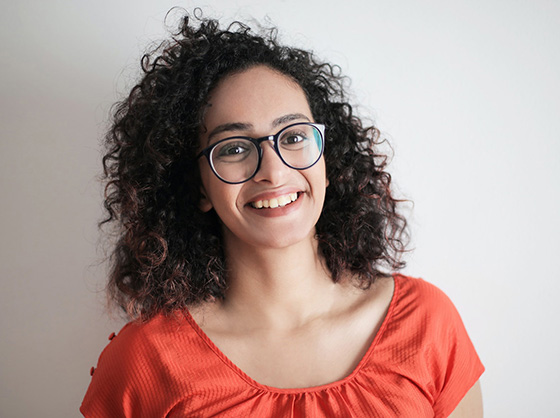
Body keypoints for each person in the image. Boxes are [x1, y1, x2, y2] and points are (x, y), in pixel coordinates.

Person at [81, 11, 484, 417]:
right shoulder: (144, 364)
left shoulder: (427, 325)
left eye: (293, 137)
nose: (274, 171)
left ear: (327, 162)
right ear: (200, 186)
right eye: (234, 148)